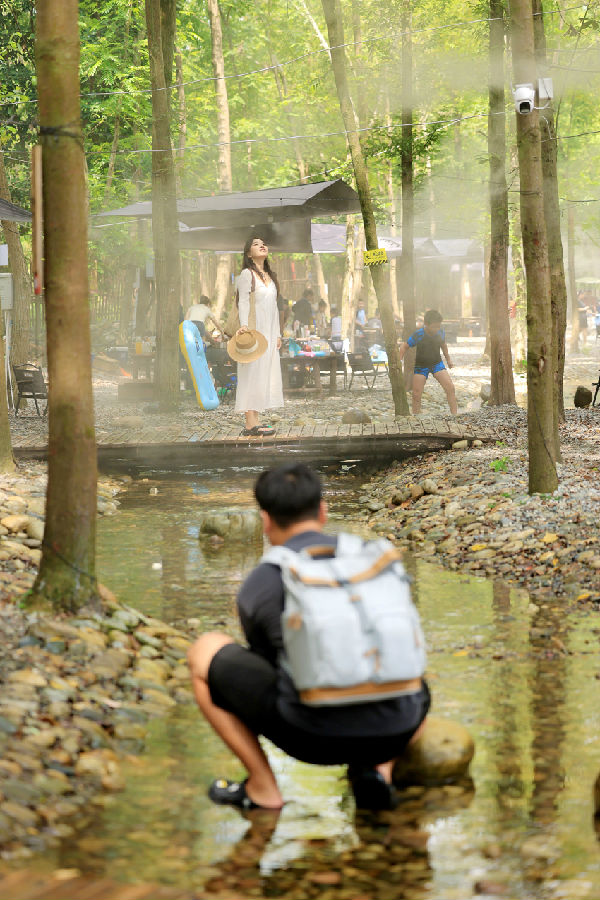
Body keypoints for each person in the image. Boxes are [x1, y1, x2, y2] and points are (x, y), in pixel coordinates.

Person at [187, 463, 431, 812]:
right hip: (397, 728)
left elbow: (269, 666)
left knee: (205, 650)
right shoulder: (374, 559)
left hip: (313, 739)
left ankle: (263, 788)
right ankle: (379, 770)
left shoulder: (263, 581)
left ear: (266, 520)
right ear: (322, 510)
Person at [232, 237, 283, 436]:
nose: (262, 245)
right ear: (248, 253)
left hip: (269, 332)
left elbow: (275, 308)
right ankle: (249, 423)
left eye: (263, 243)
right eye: (255, 244)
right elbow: (243, 302)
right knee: (251, 372)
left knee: (264, 373)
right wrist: (245, 326)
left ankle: (256, 419)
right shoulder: (247, 274)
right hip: (254, 330)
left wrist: (277, 333)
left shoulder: (270, 276)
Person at [398, 309, 457, 415]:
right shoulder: (418, 334)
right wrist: (399, 360)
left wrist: (448, 360)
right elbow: (404, 346)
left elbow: (443, 345)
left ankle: (455, 415)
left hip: (437, 364)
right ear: (426, 324)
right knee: (416, 394)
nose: (436, 329)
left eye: (438, 326)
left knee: (450, 388)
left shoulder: (441, 332)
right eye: (434, 326)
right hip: (421, 366)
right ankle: (416, 416)